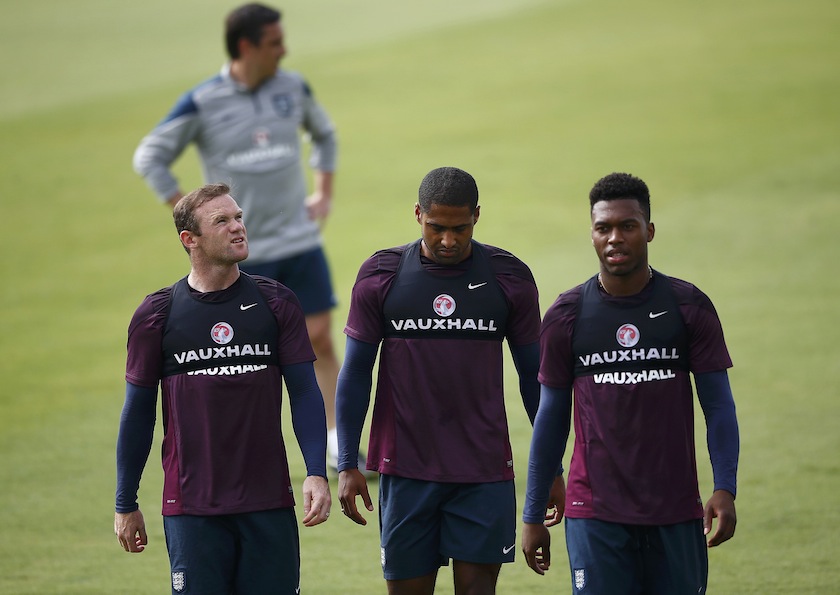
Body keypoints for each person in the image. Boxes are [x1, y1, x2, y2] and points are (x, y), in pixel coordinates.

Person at [132, 2, 352, 470]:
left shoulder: (293, 87)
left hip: (298, 239)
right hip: (242, 252)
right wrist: (190, 213)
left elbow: (325, 134)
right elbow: (150, 155)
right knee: (249, 358)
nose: (284, 50)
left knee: (320, 339)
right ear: (247, 46)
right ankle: (251, 452)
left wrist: (324, 194)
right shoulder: (203, 101)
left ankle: (337, 444)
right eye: (275, 42)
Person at [521, 172, 740, 594]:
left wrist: (725, 487)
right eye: (604, 227)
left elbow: (719, 406)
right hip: (594, 512)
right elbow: (550, 418)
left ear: (649, 231)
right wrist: (532, 515)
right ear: (592, 234)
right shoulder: (568, 316)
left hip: (675, 510)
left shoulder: (687, 307)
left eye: (628, 226)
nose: (615, 238)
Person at [113, 183, 331, 594]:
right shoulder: (157, 315)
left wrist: (317, 473)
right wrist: (126, 502)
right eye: (222, 221)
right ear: (189, 239)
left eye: (238, 218)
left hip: (267, 503)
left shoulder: (276, 303)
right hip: (192, 507)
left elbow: (304, 391)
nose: (237, 228)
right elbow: (138, 412)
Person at [335, 167, 542, 594]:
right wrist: (346, 464)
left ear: (477, 217)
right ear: (417, 215)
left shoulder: (509, 278)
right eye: (437, 228)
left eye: (460, 228)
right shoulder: (381, 275)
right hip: (406, 468)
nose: (448, 240)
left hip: (483, 471)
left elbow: (534, 379)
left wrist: (552, 465)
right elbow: (356, 372)